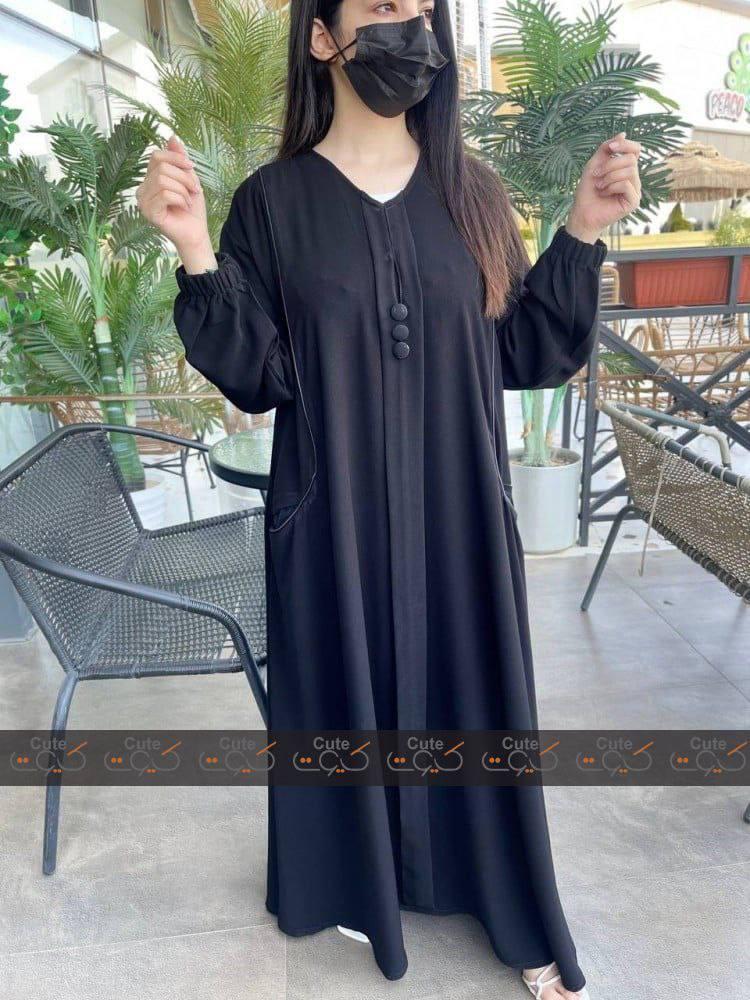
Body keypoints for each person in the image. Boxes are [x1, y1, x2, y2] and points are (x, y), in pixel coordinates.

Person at [137, 0, 641, 995]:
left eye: (420, 10)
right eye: (382, 7)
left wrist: (583, 230)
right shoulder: (274, 203)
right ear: (323, 36)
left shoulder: (471, 193)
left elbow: (518, 350)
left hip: (459, 514)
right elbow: (261, 376)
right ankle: (354, 882)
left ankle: (507, 903)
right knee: (346, 699)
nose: (409, 26)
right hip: (333, 514)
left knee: (474, 697)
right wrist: (195, 247)